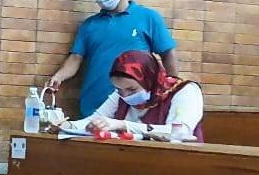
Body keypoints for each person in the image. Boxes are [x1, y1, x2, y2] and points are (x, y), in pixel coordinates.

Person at [46, 0, 180, 116]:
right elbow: (75, 58)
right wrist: (58, 77)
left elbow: (168, 54)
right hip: (93, 106)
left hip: (133, 107)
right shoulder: (89, 25)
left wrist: (173, 92)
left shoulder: (148, 17)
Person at [54, 51, 204, 142]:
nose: (125, 96)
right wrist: (67, 126)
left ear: (149, 80)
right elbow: (94, 121)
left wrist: (122, 125)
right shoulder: (121, 94)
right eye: (119, 90)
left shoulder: (185, 91)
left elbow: (179, 132)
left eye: (131, 89)